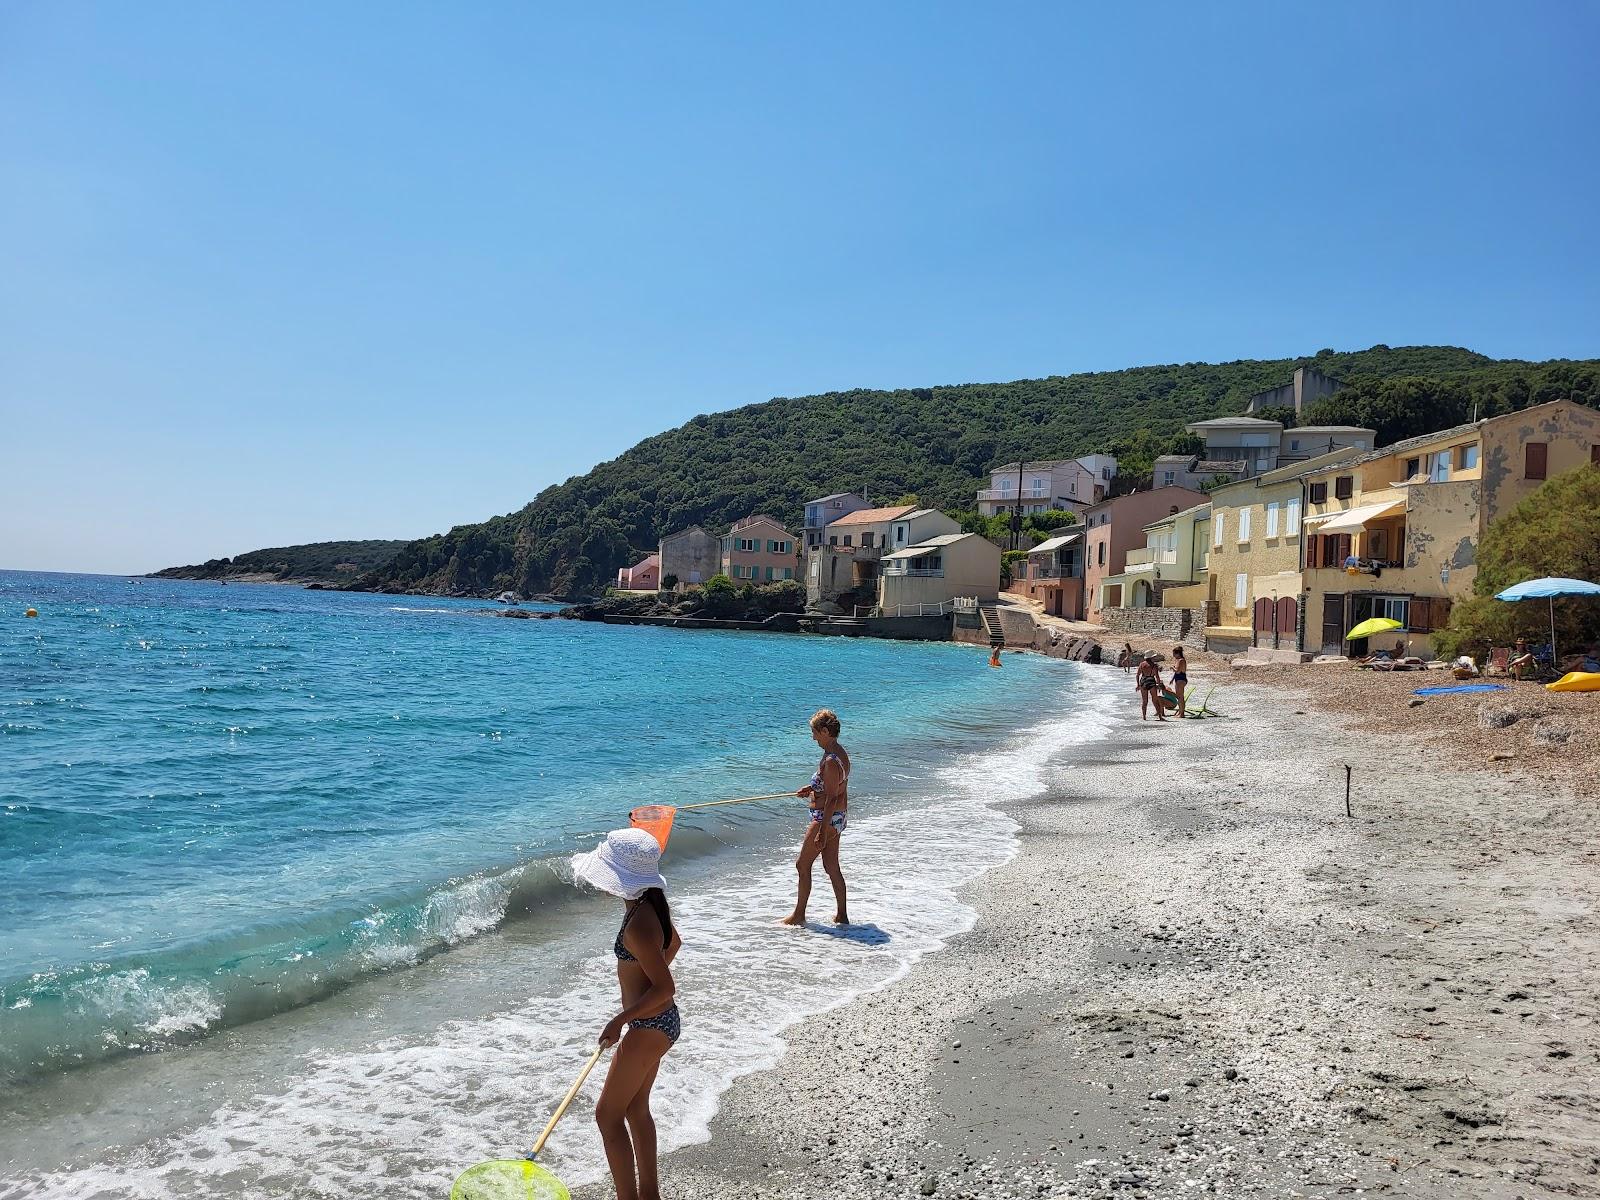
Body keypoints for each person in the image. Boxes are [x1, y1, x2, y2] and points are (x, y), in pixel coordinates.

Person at [571, 829, 681, 1200]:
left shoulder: (637, 923)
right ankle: (649, 1194)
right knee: (635, 1108)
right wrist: (645, 989)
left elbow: (665, 988)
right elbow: (674, 943)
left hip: (649, 1026)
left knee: (607, 1115)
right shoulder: (651, 907)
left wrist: (621, 1019)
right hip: (661, 1023)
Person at [783, 708, 850, 926]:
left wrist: (821, 831)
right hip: (837, 818)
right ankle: (842, 915)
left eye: (814, 733)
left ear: (824, 731)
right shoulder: (839, 752)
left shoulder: (831, 760)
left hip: (826, 819)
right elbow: (834, 787)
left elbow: (831, 798)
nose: (813, 738)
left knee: (802, 865)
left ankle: (799, 915)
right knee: (831, 867)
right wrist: (812, 788)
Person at [1135, 651, 1167, 722]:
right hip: (1151, 682)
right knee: (1155, 700)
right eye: (1154, 657)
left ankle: (1144, 717)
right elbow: (1157, 677)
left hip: (1143, 681)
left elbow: (1137, 675)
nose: (1154, 657)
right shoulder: (1154, 666)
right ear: (1151, 657)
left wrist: (1138, 685)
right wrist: (1158, 685)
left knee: (1144, 701)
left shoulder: (1142, 664)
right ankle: (1160, 717)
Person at [1170, 646, 1189, 717]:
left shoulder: (1181, 660)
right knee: (1179, 697)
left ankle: (1182, 713)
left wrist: (1172, 668)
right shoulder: (1178, 660)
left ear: (1178, 653)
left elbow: (1178, 671)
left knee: (1181, 697)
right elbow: (1176, 672)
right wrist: (1172, 679)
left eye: (1174, 654)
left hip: (1181, 679)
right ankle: (1180, 711)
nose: (1173, 655)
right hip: (1178, 679)